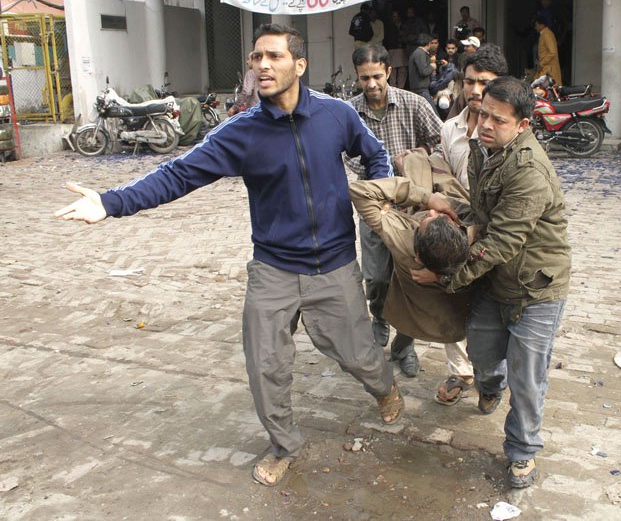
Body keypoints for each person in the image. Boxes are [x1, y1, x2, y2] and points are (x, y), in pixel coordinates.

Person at [55, 24, 403, 488]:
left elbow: (375, 155)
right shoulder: (240, 131)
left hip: (335, 265)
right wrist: (111, 201)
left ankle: (385, 389)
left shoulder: (337, 115)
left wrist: (377, 198)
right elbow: (178, 174)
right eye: (256, 56)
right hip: (274, 268)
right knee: (265, 366)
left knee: (359, 354)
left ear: (299, 65)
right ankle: (284, 444)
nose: (262, 65)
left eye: (274, 56)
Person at [413, 76, 571, 489]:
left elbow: (501, 240)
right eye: (482, 113)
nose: (484, 124)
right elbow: (485, 215)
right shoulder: (486, 150)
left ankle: (521, 452)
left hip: (536, 289)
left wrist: (448, 276)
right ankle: (490, 386)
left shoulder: (529, 170)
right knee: (483, 354)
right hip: (495, 281)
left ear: (522, 125)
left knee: (527, 378)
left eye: (497, 120)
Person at [344, 44, 442, 377]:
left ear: (388, 71)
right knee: (376, 277)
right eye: (363, 78)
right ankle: (380, 317)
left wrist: (415, 157)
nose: (370, 84)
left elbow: (438, 139)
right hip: (374, 208)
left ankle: (405, 347)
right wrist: (375, 172)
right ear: (356, 76)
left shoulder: (414, 103)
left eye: (376, 76)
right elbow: (345, 154)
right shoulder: (348, 112)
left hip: (412, 208)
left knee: (409, 280)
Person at [432, 45, 509, 405]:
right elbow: (443, 179)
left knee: (489, 319)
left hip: (496, 238)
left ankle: (491, 380)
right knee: (452, 305)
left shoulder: (510, 132)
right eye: (469, 81)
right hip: (459, 230)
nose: (475, 90)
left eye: (485, 83)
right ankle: (460, 372)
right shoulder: (450, 130)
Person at [349, 151, 477, 356]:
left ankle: (403, 348)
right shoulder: (475, 234)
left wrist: (426, 197)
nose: (432, 211)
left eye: (431, 216)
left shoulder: (402, 239)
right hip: (445, 321)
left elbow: (360, 191)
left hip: (437, 318)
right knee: (376, 279)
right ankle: (383, 322)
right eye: (435, 215)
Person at [407, 33, 437, 105]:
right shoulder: (420, 53)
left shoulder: (419, 53)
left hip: (419, 89)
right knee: (432, 112)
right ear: (429, 43)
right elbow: (423, 71)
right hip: (420, 89)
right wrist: (432, 66)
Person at [535, 17, 562, 86]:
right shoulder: (544, 34)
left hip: (549, 69)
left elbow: (553, 53)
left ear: (542, 25)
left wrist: (541, 63)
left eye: (536, 25)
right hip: (545, 68)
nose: (535, 27)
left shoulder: (547, 34)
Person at [384, 9, 407, 89]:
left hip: (402, 49)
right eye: (394, 16)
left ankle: (401, 88)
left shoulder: (404, 25)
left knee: (402, 70)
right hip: (392, 49)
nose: (395, 18)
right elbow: (386, 39)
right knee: (392, 70)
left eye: (397, 16)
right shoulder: (389, 26)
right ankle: (393, 88)